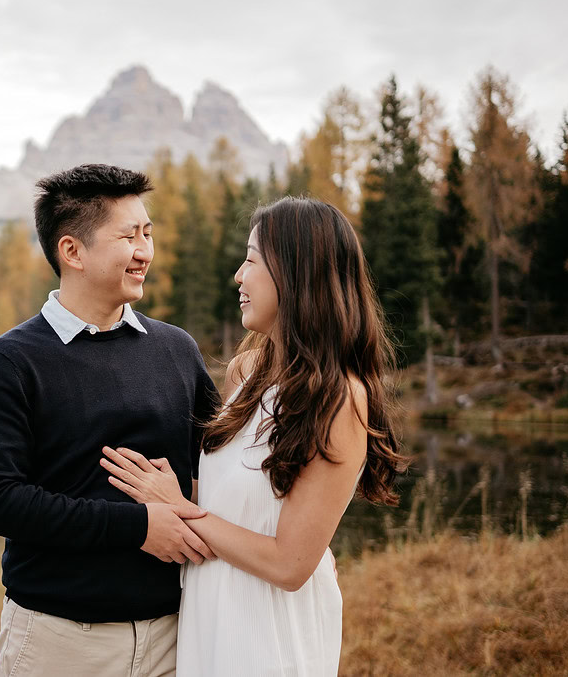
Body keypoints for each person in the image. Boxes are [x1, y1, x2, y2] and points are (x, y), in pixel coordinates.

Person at [101, 197, 407, 675]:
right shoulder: (247, 370)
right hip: (210, 608)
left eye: (251, 260)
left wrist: (178, 507)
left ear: (296, 273)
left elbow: (289, 565)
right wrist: (169, 493)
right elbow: (234, 499)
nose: (238, 277)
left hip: (270, 627)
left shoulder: (340, 398)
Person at [0, 163, 220, 677]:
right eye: (129, 236)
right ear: (72, 251)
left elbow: (227, 463)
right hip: (58, 642)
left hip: (176, 634)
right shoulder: (12, 361)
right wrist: (138, 527)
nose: (145, 250)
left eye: (148, 233)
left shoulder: (176, 348)